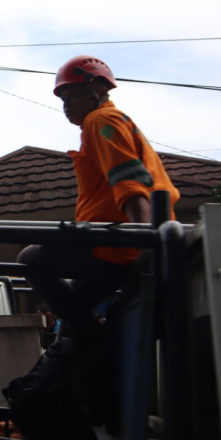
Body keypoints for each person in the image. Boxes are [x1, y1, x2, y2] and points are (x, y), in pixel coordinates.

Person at [18, 55, 180, 340]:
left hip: (117, 247)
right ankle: (89, 345)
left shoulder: (101, 120)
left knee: (30, 259)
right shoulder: (107, 121)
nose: (67, 104)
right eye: (63, 98)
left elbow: (129, 182)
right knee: (72, 319)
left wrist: (145, 244)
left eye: (74, 94)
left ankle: (92, 335)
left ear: (98, 90)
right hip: (117, 245)